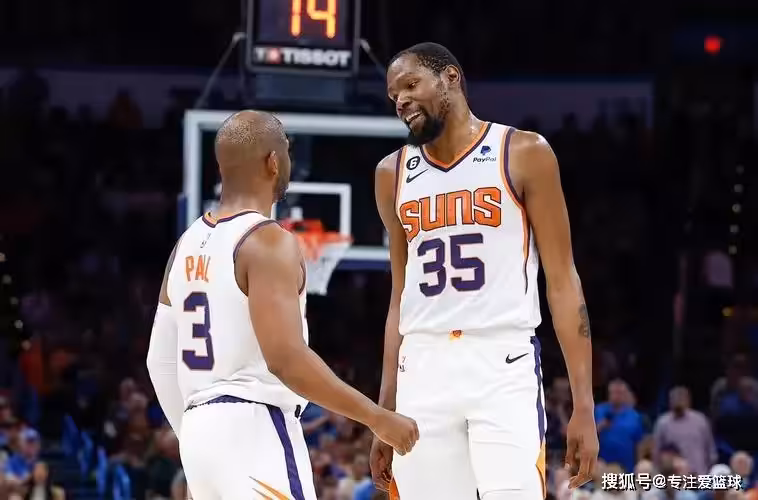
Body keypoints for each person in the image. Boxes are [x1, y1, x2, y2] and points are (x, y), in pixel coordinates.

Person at [146, 110, 419, 500]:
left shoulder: (184, 244)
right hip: (254, 427)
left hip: (198, 432)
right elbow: (286, 360)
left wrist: (195, 435)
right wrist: (376, 418)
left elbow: (159, 361)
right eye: (287, 151)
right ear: (273, 162)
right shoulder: (266, 240)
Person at [372, 42, 598, 500]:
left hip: (502, 360)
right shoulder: (390, 173)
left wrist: (584, 403)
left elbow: (562, 281)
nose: (401, 100)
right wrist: (384, 407)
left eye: (411, 85)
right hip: (422, 364)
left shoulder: (523, 152)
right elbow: (399, 296)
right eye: (394, 95)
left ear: (450, 78)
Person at [652, 386, 716, 475]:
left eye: (681, 398)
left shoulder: (700, 420)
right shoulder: (663, 423)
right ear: (670, 402)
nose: (678, 401)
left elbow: (710, 450)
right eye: (675, 399)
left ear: (688, 400)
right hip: (674, 477)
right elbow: (656, 453)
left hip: (699, 473)